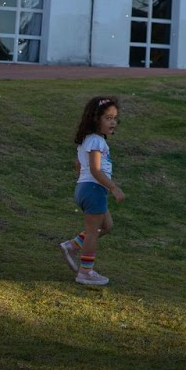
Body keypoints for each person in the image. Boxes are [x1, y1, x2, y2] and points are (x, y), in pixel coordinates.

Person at [61, 96, 124, 287]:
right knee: (92, 233)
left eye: (115, 118)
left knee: (106, 226)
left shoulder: (89, 140)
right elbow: (96, 170)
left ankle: (72, 245)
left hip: (88, 189)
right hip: (93, 189)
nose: (113, 122)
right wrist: (113, 187)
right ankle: (85, 272)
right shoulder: (96, 141)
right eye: (108, 118)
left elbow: (78, 164)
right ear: (95, 119)